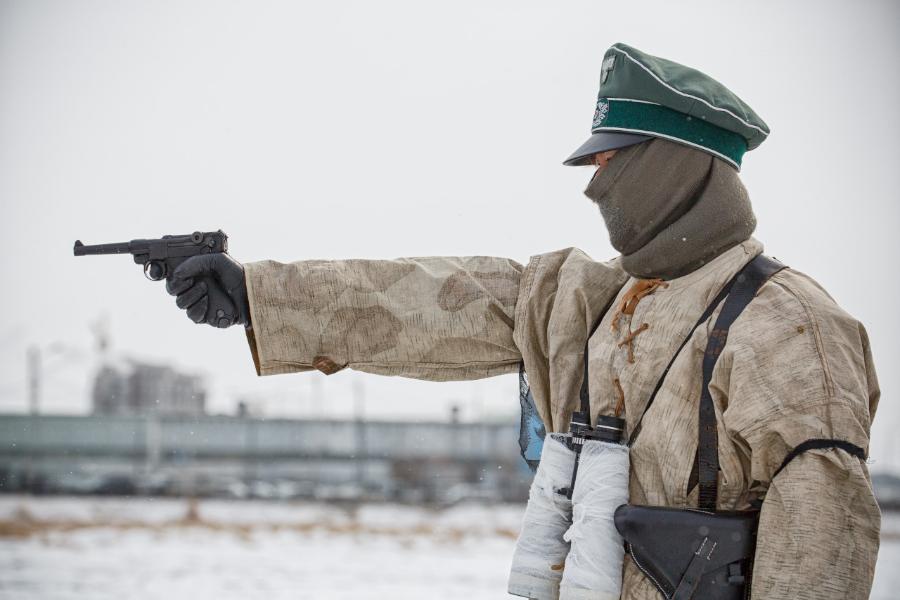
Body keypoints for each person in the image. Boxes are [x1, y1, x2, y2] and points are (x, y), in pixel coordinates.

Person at [163, 43, 880, 599]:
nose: (596, 183)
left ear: (674, 170)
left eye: (611, 161)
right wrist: (262, 294)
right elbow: (444, 298)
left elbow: (823, 538)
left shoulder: (791, 328)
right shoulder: (594, 304)